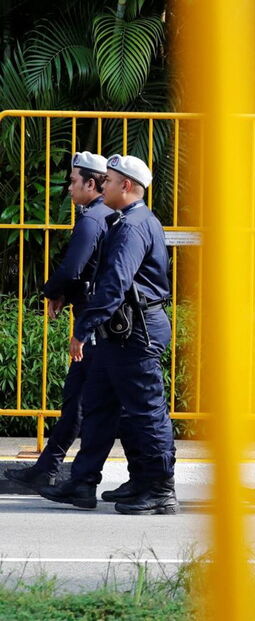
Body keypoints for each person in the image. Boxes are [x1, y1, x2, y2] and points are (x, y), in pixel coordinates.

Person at [38, 154, 177, 515]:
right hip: (119, 330)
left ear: (126, 186)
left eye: (110, 182)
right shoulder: (127, 221)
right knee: (99, 406)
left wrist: (82, 329)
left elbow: (114, 285)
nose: (105, 186)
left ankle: (159, 488)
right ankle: (83, 482)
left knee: (145, 412)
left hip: (136, 331)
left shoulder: (133, 226)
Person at [4, 153, 117, 491]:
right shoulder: (107, 215)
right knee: (82, 398)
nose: (68, 188)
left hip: (93, 323)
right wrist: (66, 295)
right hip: (99, 319)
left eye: (73, 181)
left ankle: (147, 475)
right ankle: (49, 467)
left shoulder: (92, 219)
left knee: (92, 400)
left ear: (91, 183)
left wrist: (52, 291)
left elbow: (73, 268)